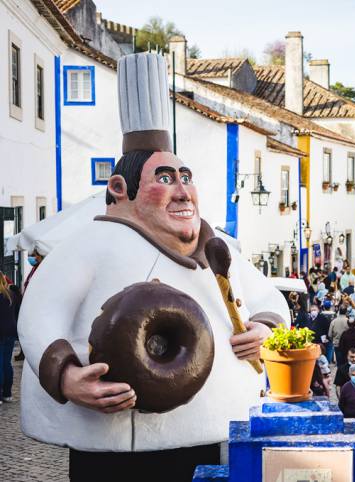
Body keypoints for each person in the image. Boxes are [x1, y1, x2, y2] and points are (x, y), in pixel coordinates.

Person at [17, 52, 291, 482]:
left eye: (186, 177)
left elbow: (265, 296)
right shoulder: (90, 244)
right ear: (119, 189)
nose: (183, 192)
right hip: (110, 442)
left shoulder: (215, 246)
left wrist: (264, 328)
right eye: (165, 179)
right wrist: (67, 377)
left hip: (200, 430)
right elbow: (40, 313)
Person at [0, 275, 21, 403]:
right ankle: (7, 393)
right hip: (10, 332)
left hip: (1, 333)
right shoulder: (11, 295)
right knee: (7, 363)